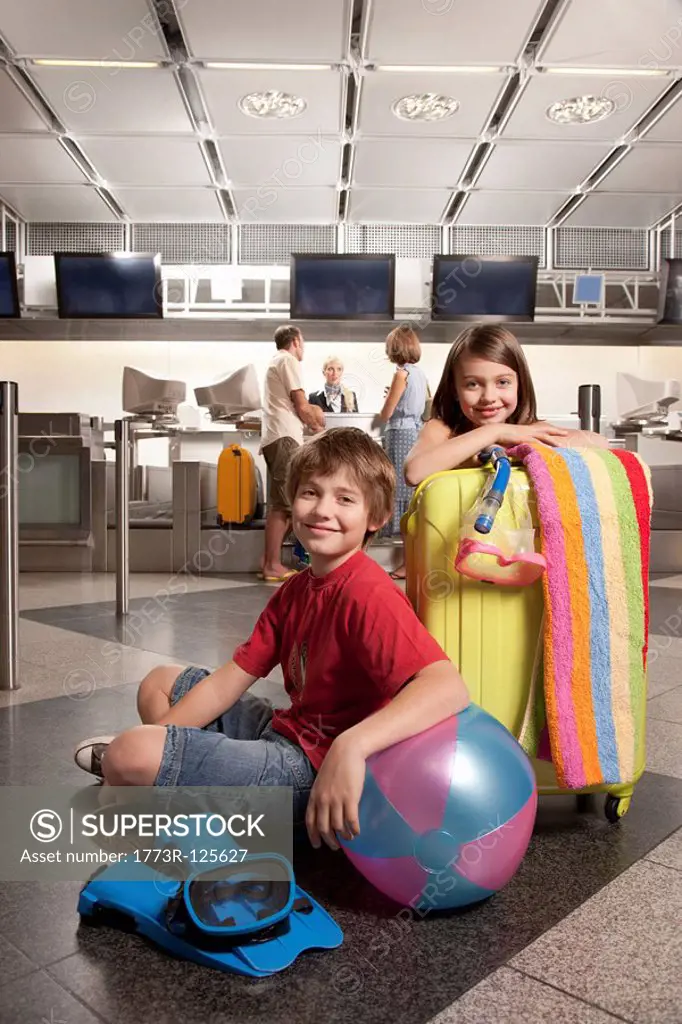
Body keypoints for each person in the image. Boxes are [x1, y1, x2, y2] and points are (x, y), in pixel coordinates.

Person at [73, 428, 470, 852]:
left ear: (376, 517)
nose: (322, 510)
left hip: (312, 773)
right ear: (292, 502)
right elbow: (230, 680)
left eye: (345, 499)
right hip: (286, 732)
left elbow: (448, 687)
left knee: (128, 753)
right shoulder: (295, 590)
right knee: (158, 683)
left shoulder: (368, 592)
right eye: (310, 493)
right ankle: (178, 791)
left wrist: (351, 746)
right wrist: (167, 743)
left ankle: (175, 801)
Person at [404, 324, 608, 486]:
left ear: (520, 385)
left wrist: (527, 443)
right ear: (454, 390)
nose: (489, 396)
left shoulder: (528, 431)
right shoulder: (443, 430)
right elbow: (414, 473)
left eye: (502, 382)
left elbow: (600, 444)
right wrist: (495, 432)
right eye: (472, 384)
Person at [260, 324, 325, 583]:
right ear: (296, 341)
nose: (304, 347)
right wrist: (318, 422)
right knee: (284, 507)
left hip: (277, 437)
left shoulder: (276, 361)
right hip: (284, 437)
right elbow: (302, 405)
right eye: (303, 342)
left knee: (281, 503)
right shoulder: (287, 360)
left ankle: (268, 560)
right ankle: (272, 565)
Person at [377, 326, 429, 580]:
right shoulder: (419, 375)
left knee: (400, 496)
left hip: (400, 434)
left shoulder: (401, 374)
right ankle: (414, 563)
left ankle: (406, 565)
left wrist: (387, 400)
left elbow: (386, 413)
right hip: (415, 433)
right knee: (412, 498)